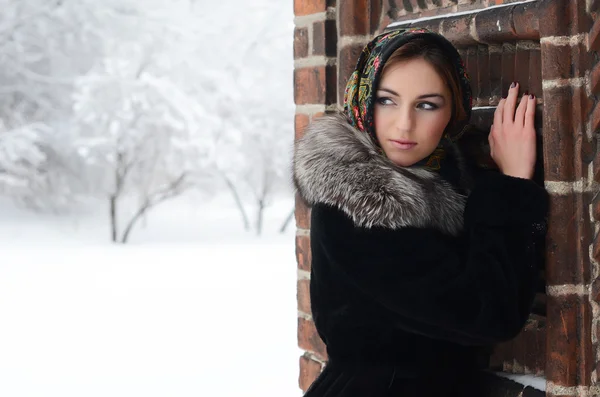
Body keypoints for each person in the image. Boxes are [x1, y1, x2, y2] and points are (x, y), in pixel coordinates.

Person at [292, 27, 548, 396]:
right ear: (363, 102)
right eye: (386, 100)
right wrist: (511, 183)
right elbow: (489, 314)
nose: (404, 124)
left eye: (426, 104)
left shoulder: (442, 179)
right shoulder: (358, 209)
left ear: (452, 113)